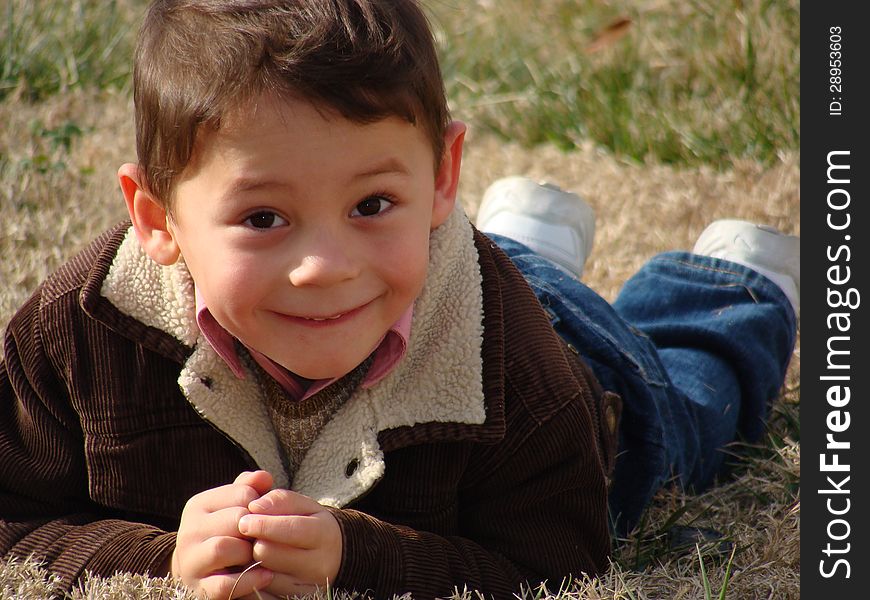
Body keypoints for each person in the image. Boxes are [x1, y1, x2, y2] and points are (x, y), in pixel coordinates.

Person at [0, 1, 798, 599]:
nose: (325, 267)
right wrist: (161, 556)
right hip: (420, 271)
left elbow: (553, 565)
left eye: (371, 201)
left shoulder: (523, 377)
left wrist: (356, 554)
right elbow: (13, 518)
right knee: (460, 263)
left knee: (685, 408)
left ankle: (732, 286)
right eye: (264, 218)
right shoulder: (83, 327)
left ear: (443, 176)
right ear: (156, 220)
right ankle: (518, 230)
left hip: (571, 359)